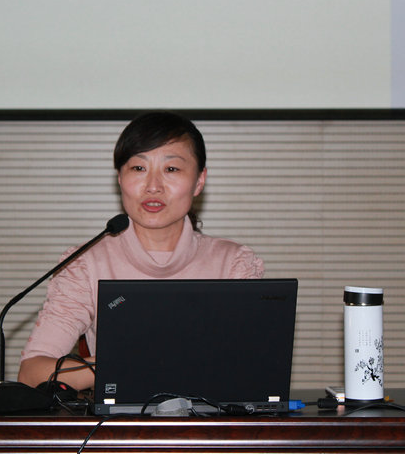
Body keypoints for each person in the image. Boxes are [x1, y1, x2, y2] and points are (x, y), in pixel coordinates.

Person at [17, 111, 264, 389]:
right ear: (119, 178)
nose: (153, 187)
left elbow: (252, 368)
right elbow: (32, 373)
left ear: (199, 181)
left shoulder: (233, 264)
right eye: (138, 168)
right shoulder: (85, 264)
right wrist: (131, 362)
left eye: (171, 169)